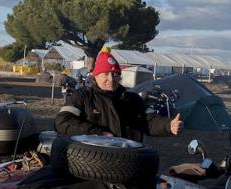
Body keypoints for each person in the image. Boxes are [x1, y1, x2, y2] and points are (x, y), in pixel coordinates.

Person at [55, 47, 183, 142]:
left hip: (129, 160)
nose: (111, 79)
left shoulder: (132, 99)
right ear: (95, 76)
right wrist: (98, 133)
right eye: (105, 74)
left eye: (115, 74)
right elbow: (62, 121)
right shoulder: (82, 97)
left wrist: (168, 125)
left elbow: (149, 121)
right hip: (93, 161)